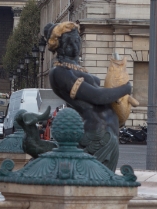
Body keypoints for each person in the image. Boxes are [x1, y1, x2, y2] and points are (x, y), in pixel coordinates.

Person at [45, 22, 131, 171]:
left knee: (101, 183)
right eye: (70, 40)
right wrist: (125, 88)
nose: (76, 44)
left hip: (106, 134)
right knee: (94, 181)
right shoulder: (60, 72)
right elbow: (97, 96)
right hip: (96, 135)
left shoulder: (76, 69)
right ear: (59, 45)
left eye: (78, 39)